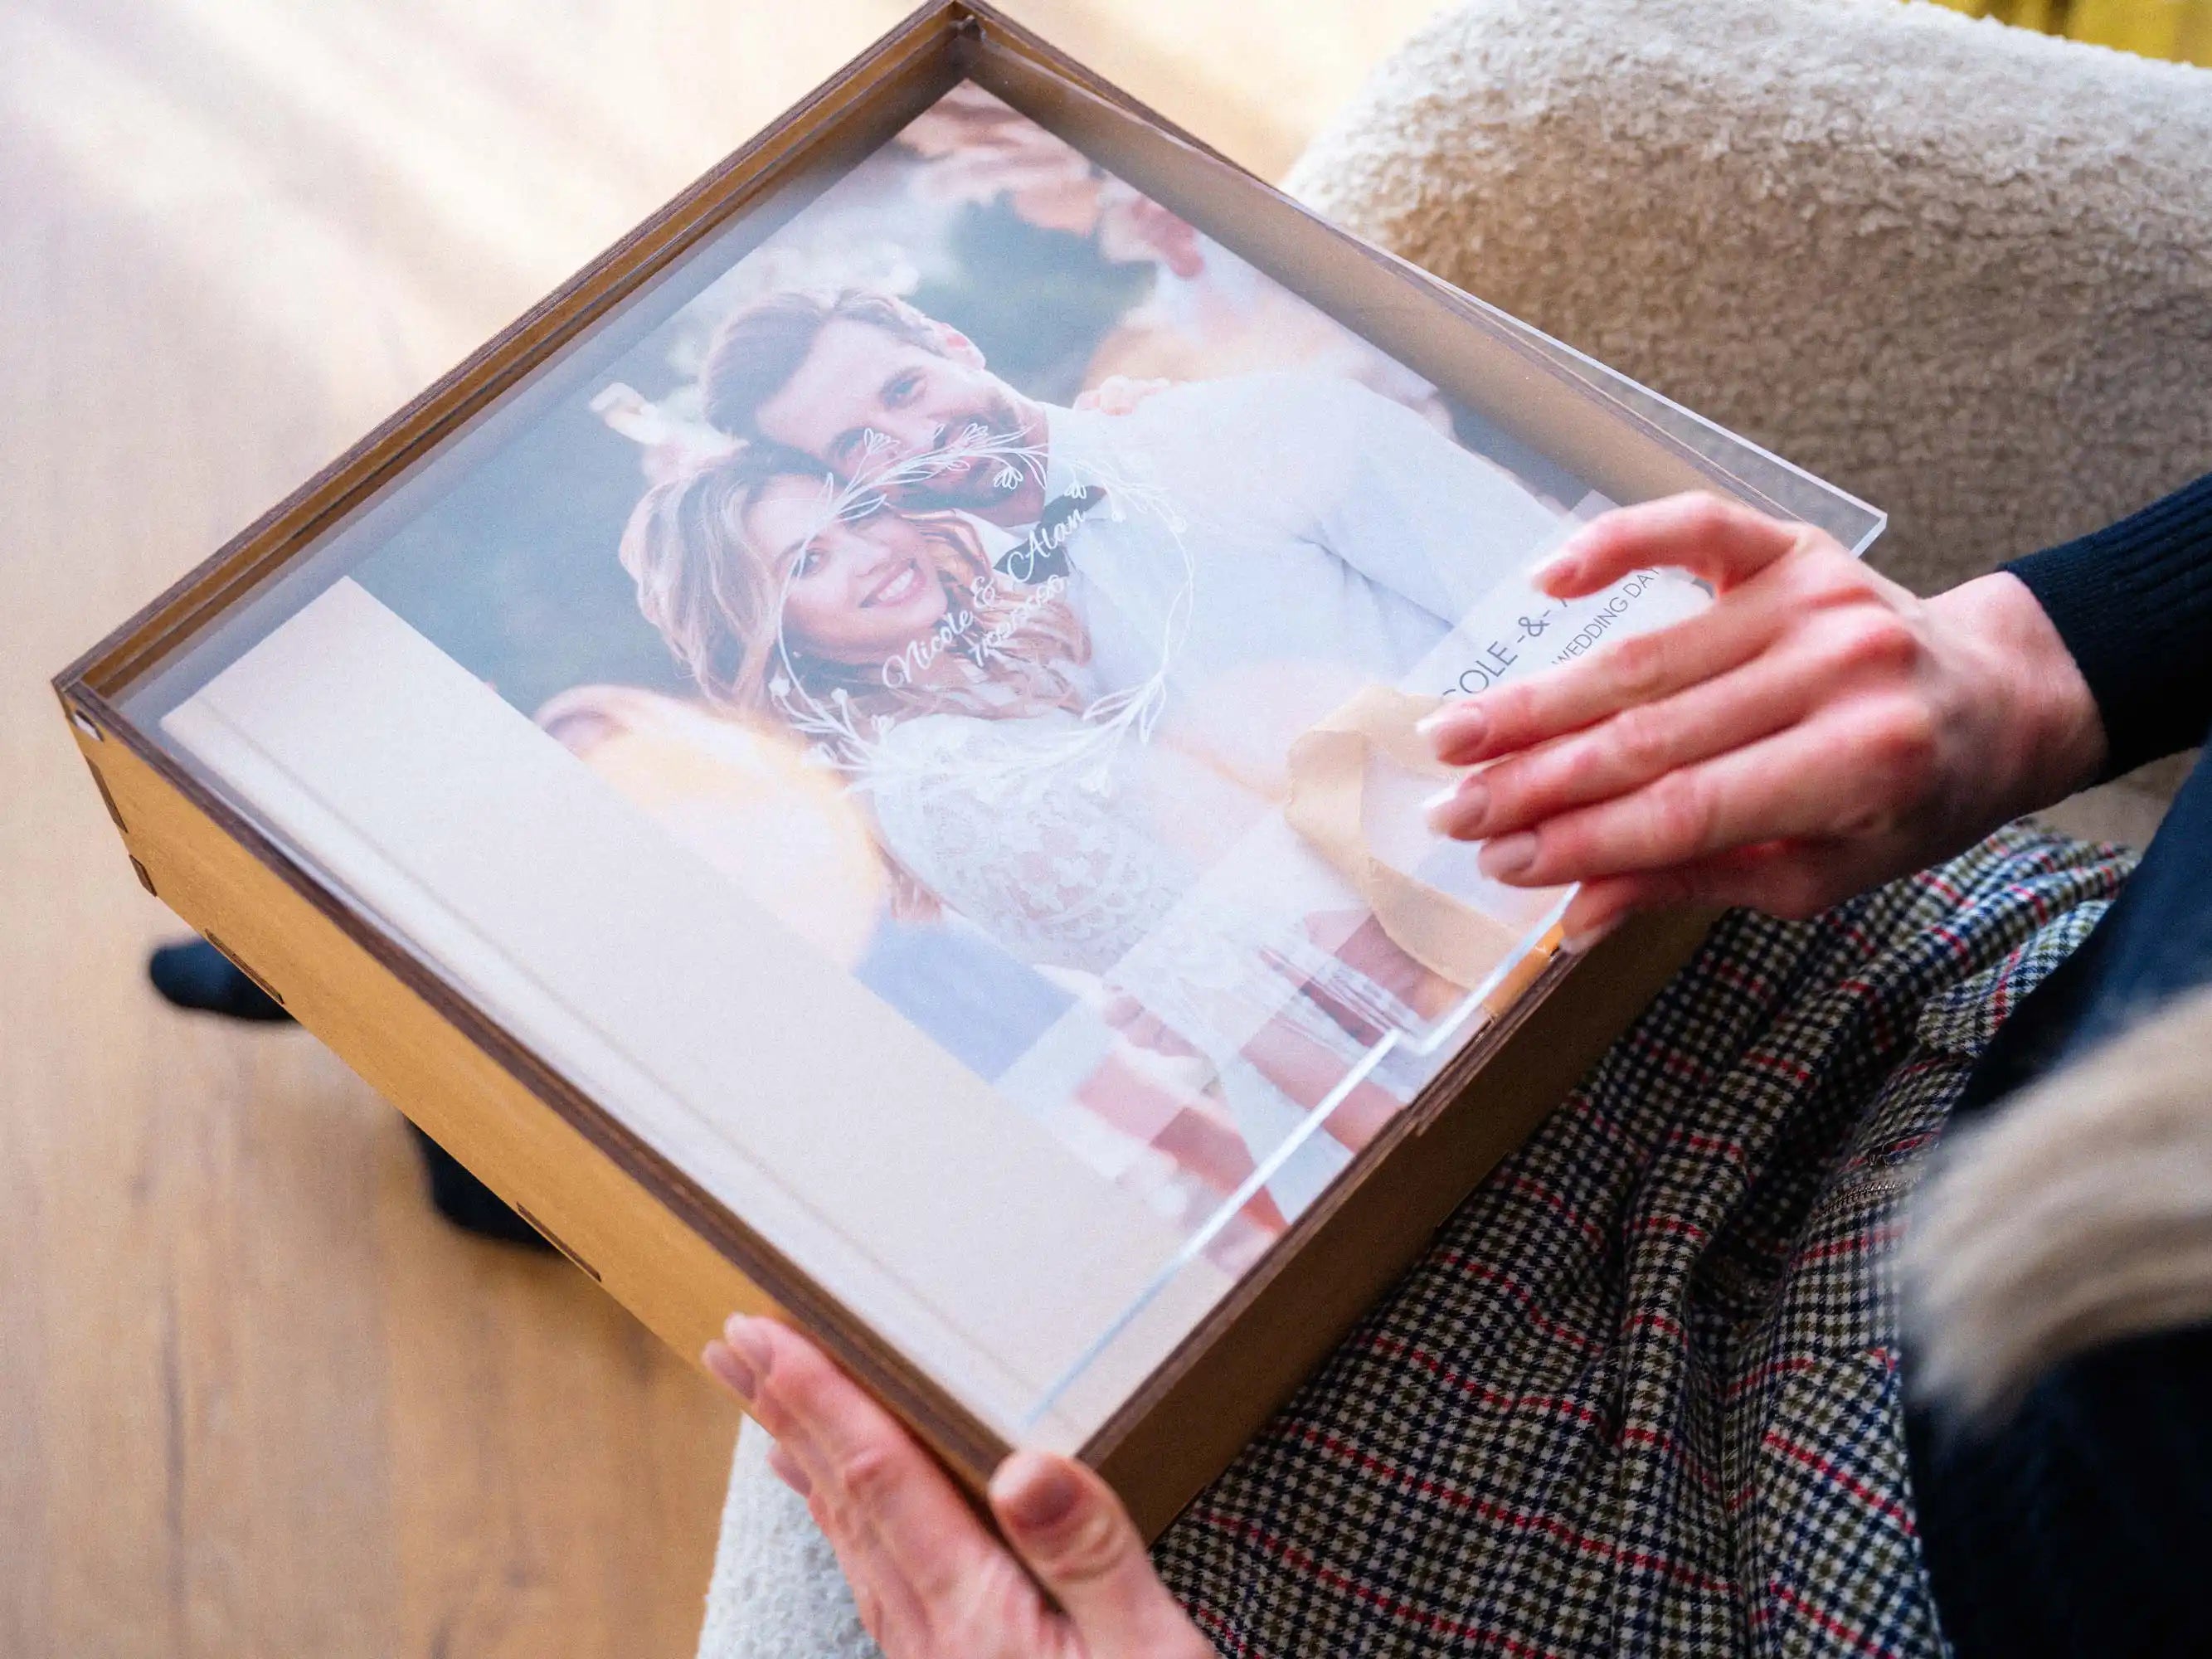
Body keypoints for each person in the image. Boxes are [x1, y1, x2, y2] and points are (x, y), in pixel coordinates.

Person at [699, 475, 2212, 1657]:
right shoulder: (937, 757)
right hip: (1960, 996)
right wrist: (2059, 645)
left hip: (1789, 1542)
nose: (861, 557)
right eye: (804, 565)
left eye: (843, 529)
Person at [616, 444, 1462, 1227]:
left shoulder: (987, 680)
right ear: (777, 633)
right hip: (1390, 1072)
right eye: (808, 561)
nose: (870, 552)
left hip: (1425, 963)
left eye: (858, 514)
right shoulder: (942, 780)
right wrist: (1422, 1155)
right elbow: (1248, 1011)